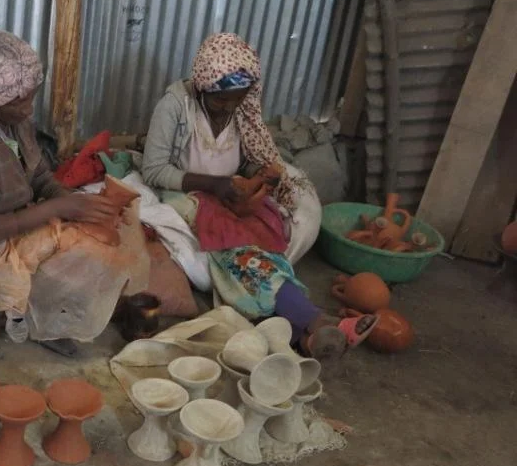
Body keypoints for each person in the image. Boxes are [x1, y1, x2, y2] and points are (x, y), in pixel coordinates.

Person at [141, 33, 374, 356]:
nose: (228, 108)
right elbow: (153, 170)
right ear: (202, 87)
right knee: (241, 253)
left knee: (272, 229)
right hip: (187, 193)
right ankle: (314, 321)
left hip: (229, 192)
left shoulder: (240, 107)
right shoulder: (174, 106)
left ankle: (302, 333)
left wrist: (257, 175)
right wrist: (214, 185)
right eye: (220, 100)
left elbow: (250, 156)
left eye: (236, 99)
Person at [0, 30, 123, 359]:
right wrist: (54, 209)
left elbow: (38, 175)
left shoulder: (15, 118)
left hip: (11, 214)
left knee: (75, 242)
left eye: (31, 95)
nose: (28, 107)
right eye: (20, 100)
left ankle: (41, 317)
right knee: (18, 255)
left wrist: (68, 203)